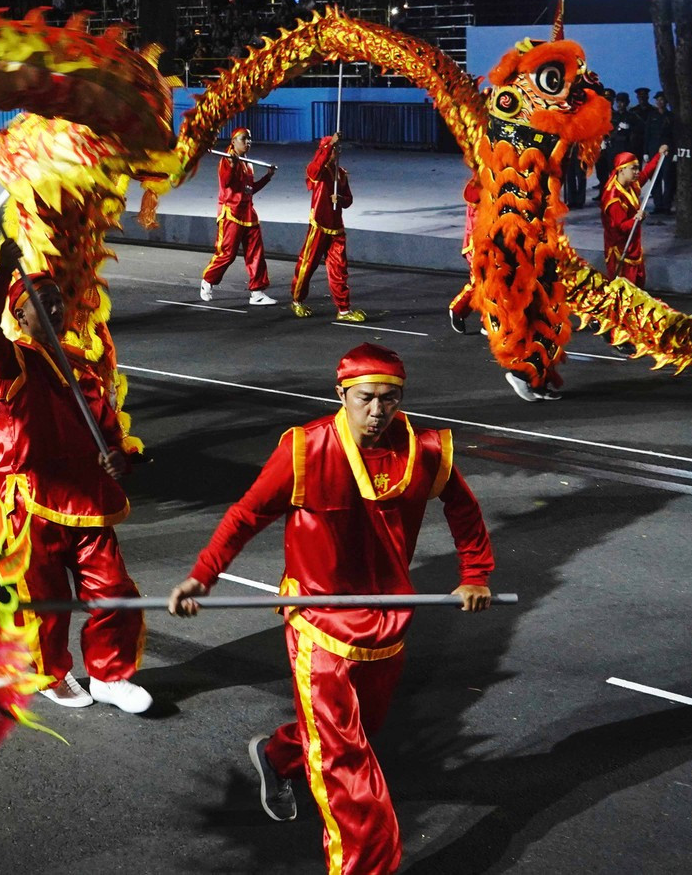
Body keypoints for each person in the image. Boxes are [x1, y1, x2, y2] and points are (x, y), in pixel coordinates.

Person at [167, 344, 494, 875]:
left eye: (390, 400)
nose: (377, 412)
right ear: (340, 394)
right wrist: (203, 573)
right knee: (347, 761)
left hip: (388, 621)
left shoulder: (425, 451)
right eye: (365, 399)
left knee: (357, 731)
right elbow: (248, 512)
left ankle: (277, 757)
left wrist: (475, 573)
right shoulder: (304, 449)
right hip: (319, 624)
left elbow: (464, 509)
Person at [0, 239, 150, 713]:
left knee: (114, 590)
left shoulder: (86, 368)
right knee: (45, 598)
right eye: (40, 304)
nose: (53, 309)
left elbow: (110, 432)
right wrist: (1, 278)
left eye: (57, 301)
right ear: (21, 318)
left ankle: (110, 675)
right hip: (34, 502)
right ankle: (49, 675)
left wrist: (119, 458)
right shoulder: (13, 362)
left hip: (90, 501)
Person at [201, 126, 277, 306]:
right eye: (244, 139)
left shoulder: (247, 162)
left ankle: (257, 292)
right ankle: (207, 281)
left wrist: (268, 177)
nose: (248, 142)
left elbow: (250, 190)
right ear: (233, 141)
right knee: (228, 254)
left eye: (249, 139)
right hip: (231, 213)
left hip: (248, 212)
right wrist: (233, 165)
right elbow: (226, 182)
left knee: (256, 253)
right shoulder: (227, 160)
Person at [291, 135, 364, 322]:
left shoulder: (341, 173)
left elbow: (349, 200)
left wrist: (339, 199)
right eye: (332, 149)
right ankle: (297, 300)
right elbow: (314, 169)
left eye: (337, 148)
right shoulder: (317, 170)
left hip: (336, 228)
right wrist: (328, 145)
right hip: (319, 226)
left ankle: (344, 310)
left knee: (340, 270)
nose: (336, 152)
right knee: (307, 265)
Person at [600, 146, 668, 290]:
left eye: (637, 168)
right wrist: (636, 220)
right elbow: (620, 226)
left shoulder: (630, 185)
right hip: (621, 250)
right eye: (633, 169)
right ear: (621, 170)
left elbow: (645, 174)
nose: (637, 172)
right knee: (625, 291)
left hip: (634, 246)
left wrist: (658, 156)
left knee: (638, 286)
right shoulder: (613, 198)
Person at [447, 176, 482, 335]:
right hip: (479, 243)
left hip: (500, 240)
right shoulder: (480, 183)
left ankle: (490, 322)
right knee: (482, 281)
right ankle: (458, 309)